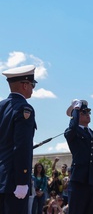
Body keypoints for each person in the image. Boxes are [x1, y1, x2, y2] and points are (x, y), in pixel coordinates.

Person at [0, 65, 38, 214]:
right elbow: (22, 146)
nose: (33, 89)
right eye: (32, 84)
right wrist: (22, 181)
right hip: (14, 182)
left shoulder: (2, 106)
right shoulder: (24, 109)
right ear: (24, 85)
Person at [64, 99, 93, 214]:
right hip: (78, 182)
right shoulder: (72, 132)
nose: (87, 115)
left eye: (88, 112)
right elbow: (73, 127)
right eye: (83, 112)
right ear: (76, 116)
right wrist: (75, 109)